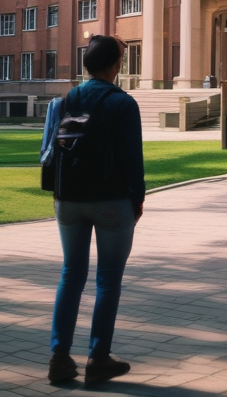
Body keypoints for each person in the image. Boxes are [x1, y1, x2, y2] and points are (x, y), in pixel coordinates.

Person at [47, 35, 145, 386]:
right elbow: (133, 159)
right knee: (107, 281)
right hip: (109, 200)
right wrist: (137, 200)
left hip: (68, 199)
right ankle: (98, 358)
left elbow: (52, 150)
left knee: (71, 275)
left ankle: (59, 357)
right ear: (116, 65)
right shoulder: (122, 102)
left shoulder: (67, 98)